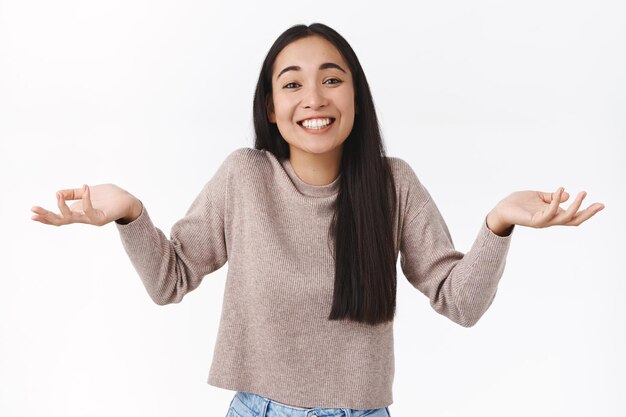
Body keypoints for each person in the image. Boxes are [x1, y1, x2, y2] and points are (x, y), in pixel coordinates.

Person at [30, 23, 605, 417]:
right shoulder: (244, 177)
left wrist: (498, 223)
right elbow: (169, 279)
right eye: (292, 84)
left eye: (332, 79)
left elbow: (461, 302)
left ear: (356, 97)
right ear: (271, 107)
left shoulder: (392, 183)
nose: (314, 97)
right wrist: (130, 212)